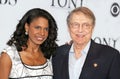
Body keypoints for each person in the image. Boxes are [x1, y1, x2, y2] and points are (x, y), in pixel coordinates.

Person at [52, 6, 120, 79]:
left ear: (92, 28)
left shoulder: (110, 56)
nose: (80, 30)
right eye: (75, 25)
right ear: (68, 28)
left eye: (86, 25)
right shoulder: (57, 54)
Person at [0, 8, 58, 79]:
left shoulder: (50, 55)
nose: (42, 33)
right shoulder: (10, 55)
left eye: (46, 29)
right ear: (27, 27)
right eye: (37, 27)